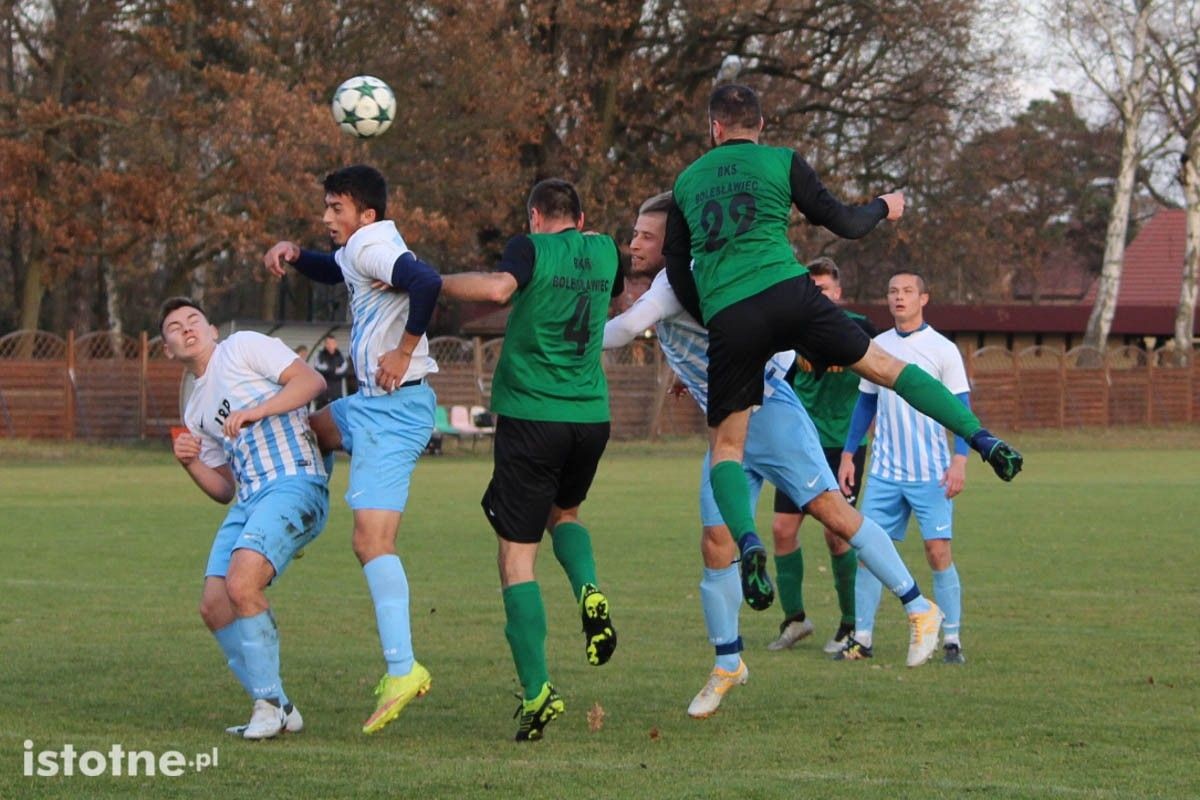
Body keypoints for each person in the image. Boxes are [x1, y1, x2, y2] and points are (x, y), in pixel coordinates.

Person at [662, 84, 1022, 615]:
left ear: (714, 128)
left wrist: (712, 313)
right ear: (761, 126)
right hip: (790, 293)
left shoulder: (687, 181)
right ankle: (984, 438)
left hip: (732, 316)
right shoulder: (781, 162)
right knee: (887, 367)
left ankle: (749, 543)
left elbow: (675, 268)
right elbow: (848, 224)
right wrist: (884, 205)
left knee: (728, 449)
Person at [605, 193, 943, 720]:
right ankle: (728, 662)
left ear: (673, 240)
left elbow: (625, 330)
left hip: (769, 416)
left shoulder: (675, 281)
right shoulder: (692, 281)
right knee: (715, 541)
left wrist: (563, 341)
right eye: (635, 233)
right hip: (728, 427)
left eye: (646, 235)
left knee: (832, 512)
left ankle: (919, 605)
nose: (635, 243)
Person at [261, 164, 443, 735]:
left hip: (395, 411)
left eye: (335, 208)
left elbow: (428, 282)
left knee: (371, 542)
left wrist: (403, 350)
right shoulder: (361, 247)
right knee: (313, 428)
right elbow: (331, 268)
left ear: (365, 214)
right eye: (325, 208)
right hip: (368, 406)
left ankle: (403, 669)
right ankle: (304, 516)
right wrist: (296, 255)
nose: (326, 218)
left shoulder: (371, 243)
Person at [438, 179, 622, 742]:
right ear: (583, 216)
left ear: (535, 215)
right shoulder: (606, 251)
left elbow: (497, 290)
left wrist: (427, 281)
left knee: (516, 559)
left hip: (532, 416)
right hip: (589, 417)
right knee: (565, 513)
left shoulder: (530, 247)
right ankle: (589, 589)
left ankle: (538, 691)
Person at [161, 297, 329, 739]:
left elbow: (311, 381)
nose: (187, 328)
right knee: (214, 606)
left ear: (213, 329)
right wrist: (191, 464)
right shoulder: (194, 409)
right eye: (175, 328)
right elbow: (224, 488)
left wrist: (258, 410)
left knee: (241, 585)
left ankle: (268, 704)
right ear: (168, 349)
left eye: (194, 319)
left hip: (295, 481)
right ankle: (281, 705)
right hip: (250, 500)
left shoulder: (243, 347)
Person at [837, 272, 973, 664]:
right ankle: (862, 639)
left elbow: (962, 410)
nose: (899, 297)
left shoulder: (942, 350)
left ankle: (951, 639)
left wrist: (959, 459)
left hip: (931, 473)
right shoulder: (876, 347)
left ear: (923, 298)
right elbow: (865, 404)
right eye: (893, 291)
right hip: (884, 472)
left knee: (937, 552)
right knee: (867, 552)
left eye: (907, 291)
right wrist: (849, 454)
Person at [767, 257, 873, 654]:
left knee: (837, 533)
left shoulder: (859, 329)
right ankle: (794, 620)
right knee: (782, 530)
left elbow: (880, 381)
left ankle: (850, 624)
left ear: (838, 292)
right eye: (812, 289)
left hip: (842, 447)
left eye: (825, 289)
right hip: (798, 444)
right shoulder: (790, 333)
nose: (819, 295)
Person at [314, 335, 349, 407]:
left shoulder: (341, 357)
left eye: (332, 343)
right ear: (325, 344)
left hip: (336, 396)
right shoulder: (320, 355)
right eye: (328, 343)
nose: (330, 345)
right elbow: (318, 369)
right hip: (322, 397)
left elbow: (344, 372)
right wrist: (334, 370)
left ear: (336, 344)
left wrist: (328, 370)